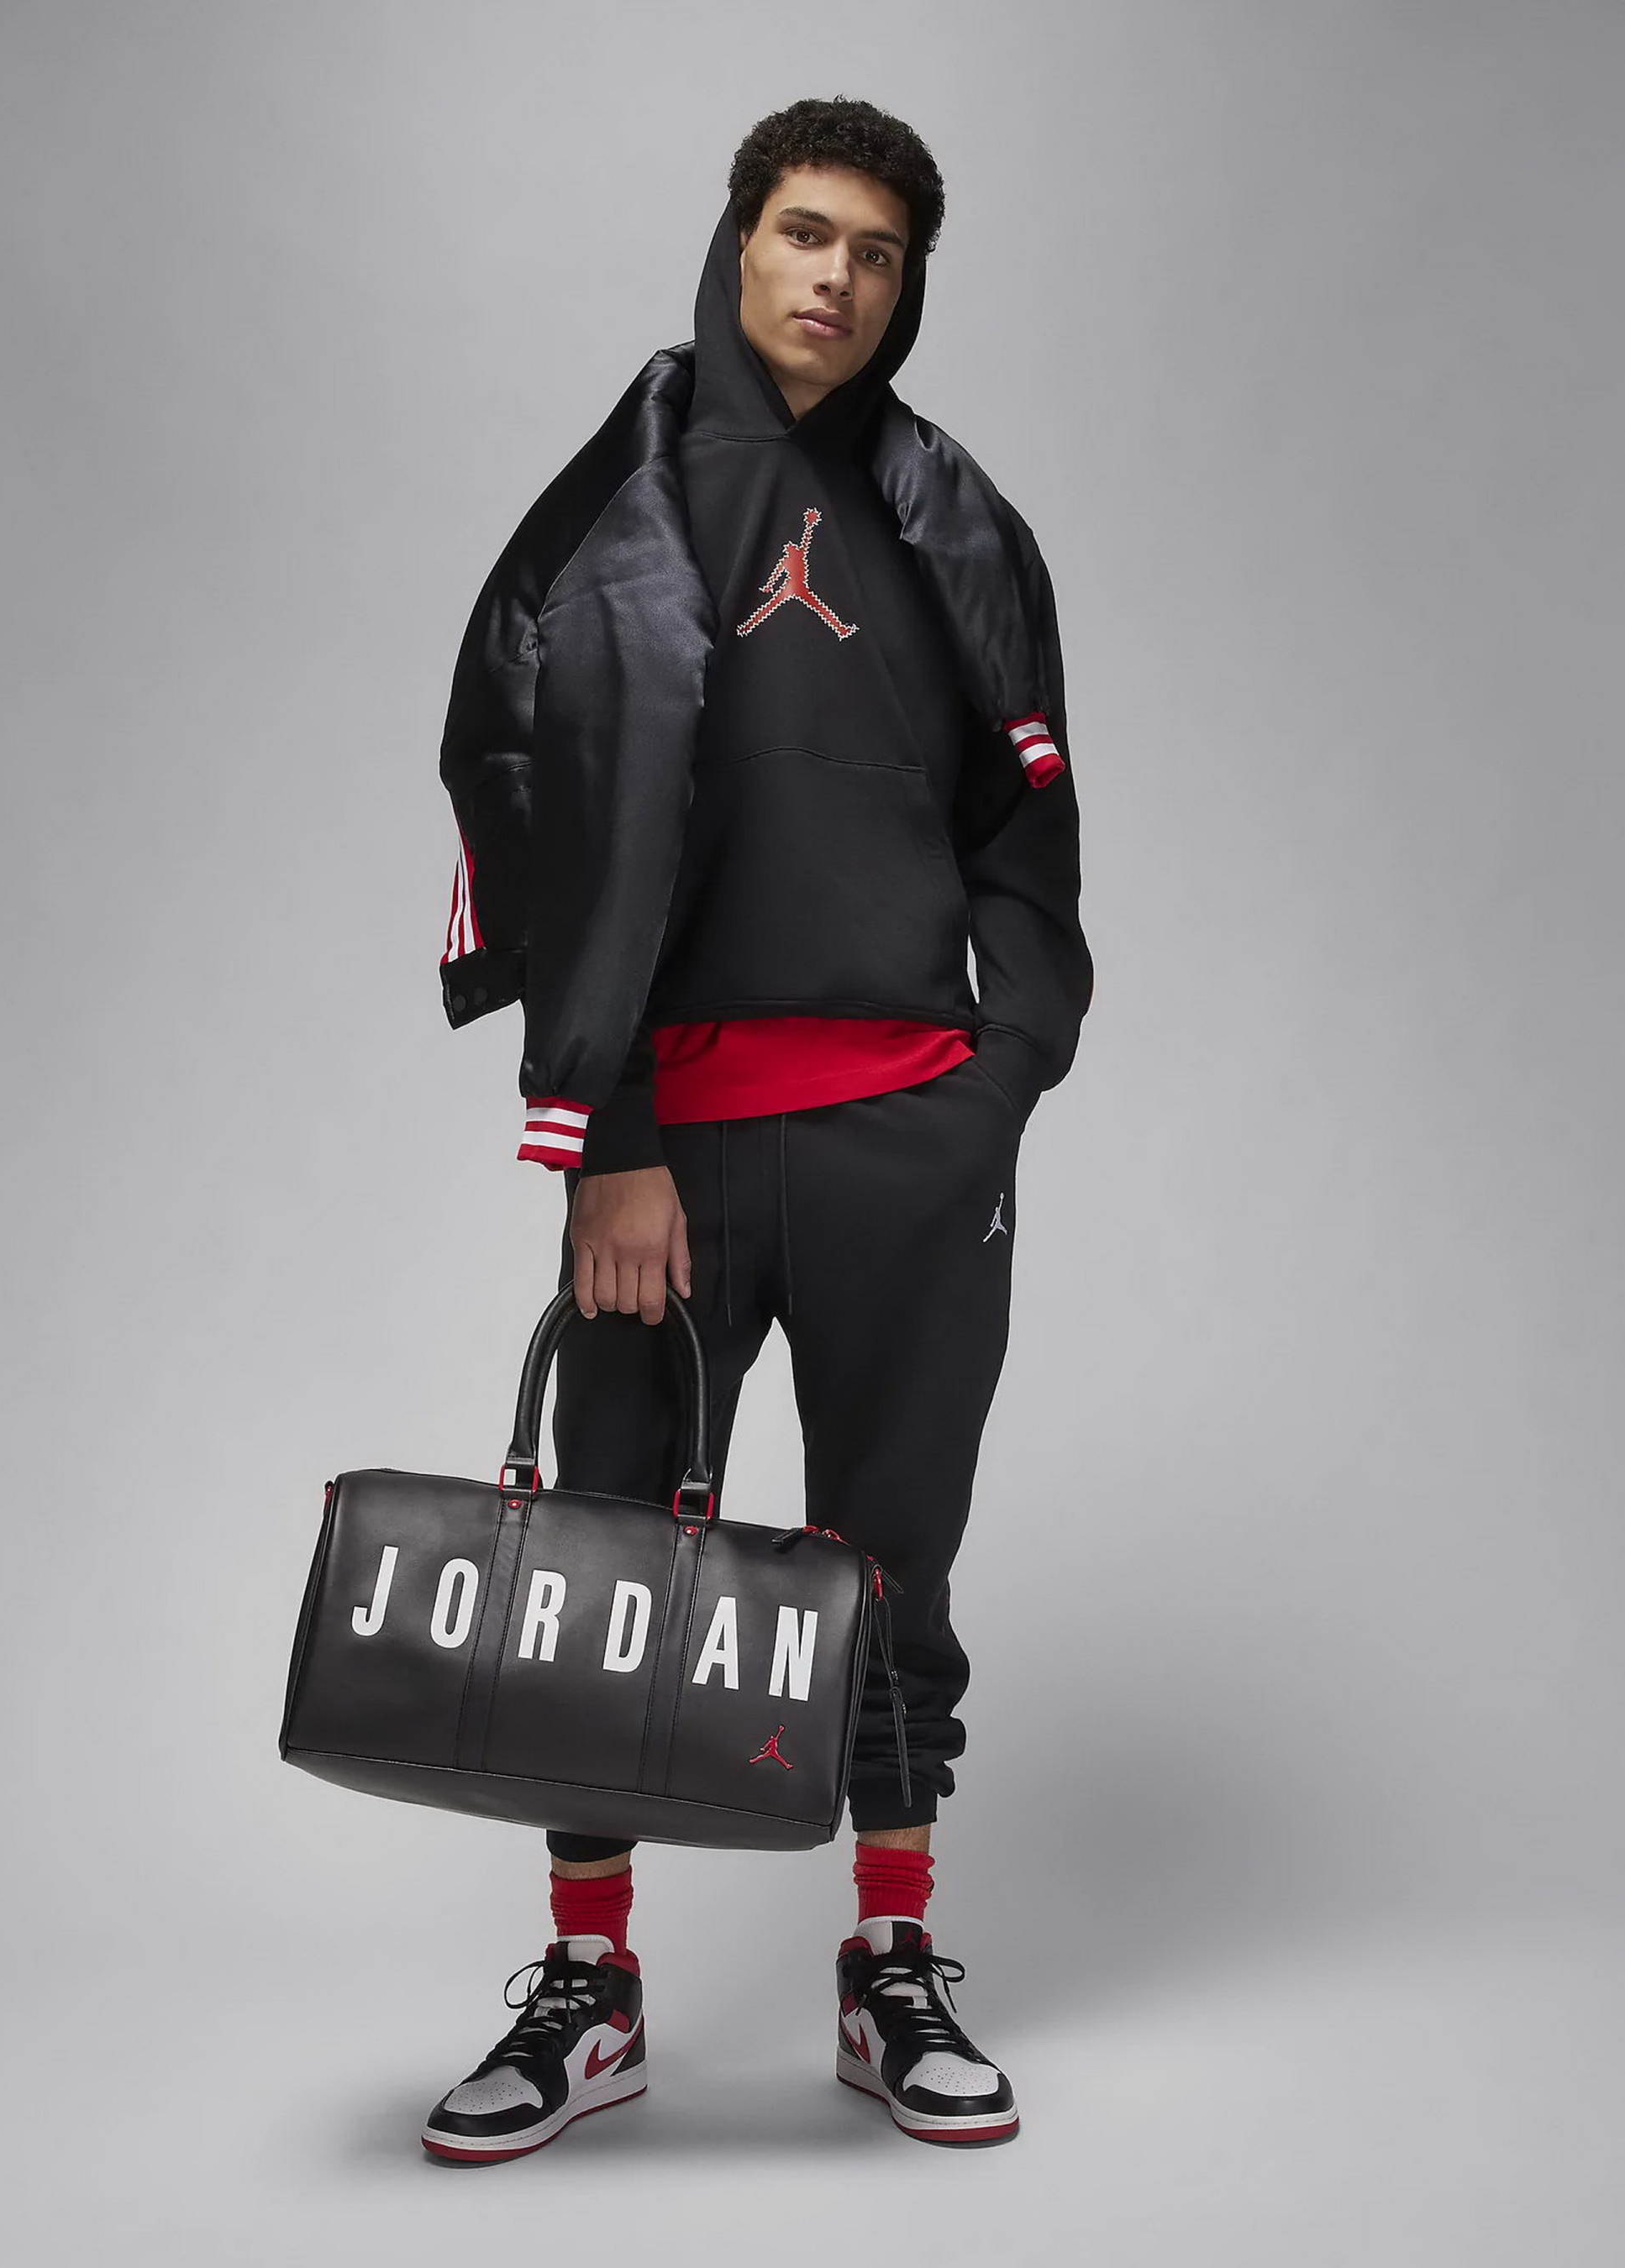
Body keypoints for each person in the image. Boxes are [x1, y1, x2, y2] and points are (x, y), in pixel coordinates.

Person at [424, 95, 1091, 2161]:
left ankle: (889, 1961)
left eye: (876, 253)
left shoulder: (951, 517)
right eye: (806, 233)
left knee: (891, 1561)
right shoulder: (614, 506)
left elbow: (1027, 823)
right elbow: (516, 798)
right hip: (668, 1160)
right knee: (607, 1558)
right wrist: (607, 1131)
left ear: (906, 286)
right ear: (738, 242)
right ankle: (590, 1984)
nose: (836, 278)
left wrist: (1000, 1074)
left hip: (907, 1142)